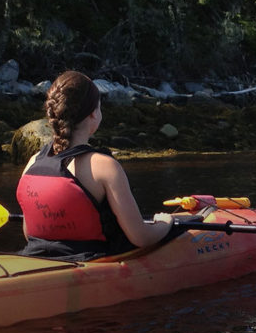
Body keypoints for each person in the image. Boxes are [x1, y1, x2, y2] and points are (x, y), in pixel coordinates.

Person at [16, 71, 172, 260]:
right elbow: (140, 237)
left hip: (36, 258)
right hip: (94, 262)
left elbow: (29, 233)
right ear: (93, 114)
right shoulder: (105, 167)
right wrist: (165, 223)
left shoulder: (33, 164)